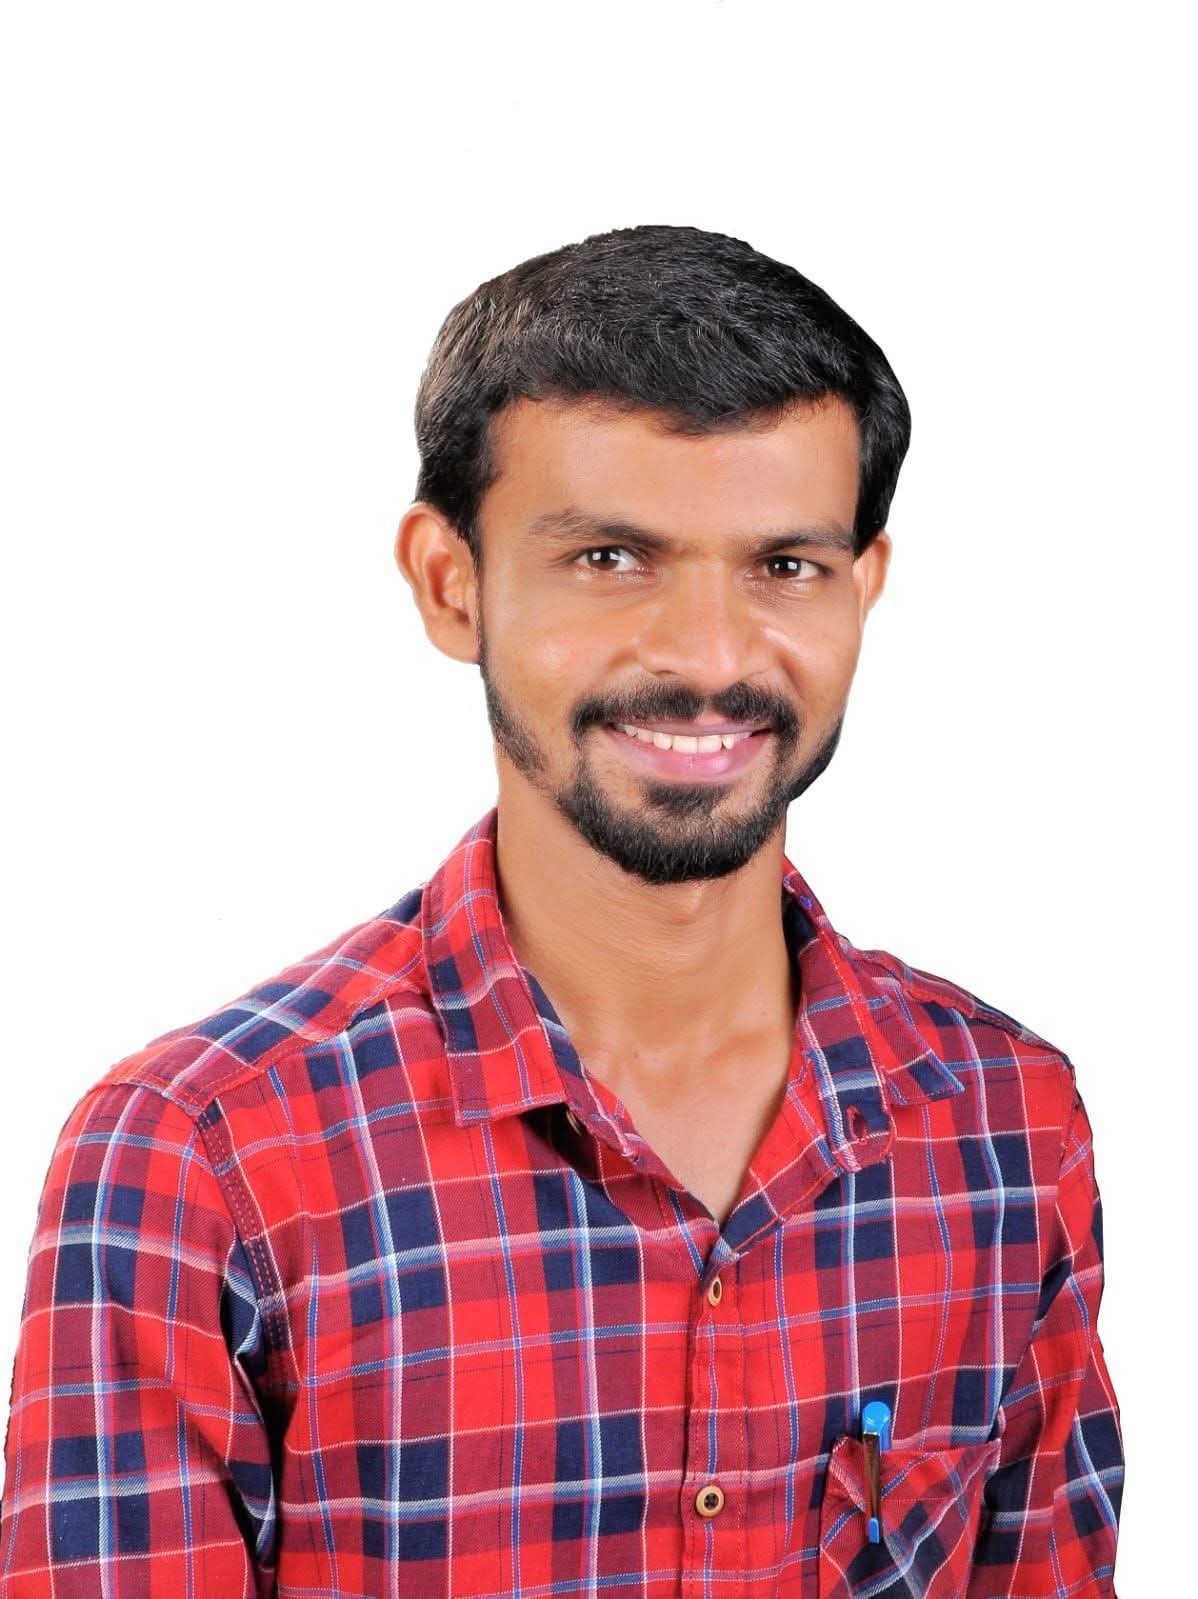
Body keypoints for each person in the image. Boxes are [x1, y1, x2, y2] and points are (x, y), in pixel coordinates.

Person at [0, 224, 1123, 1596]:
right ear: (450, 582)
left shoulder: (1003, 1123)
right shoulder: (201, 1158)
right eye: (609, 558)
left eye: (784, 565)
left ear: (862, 586)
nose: (708, 655)